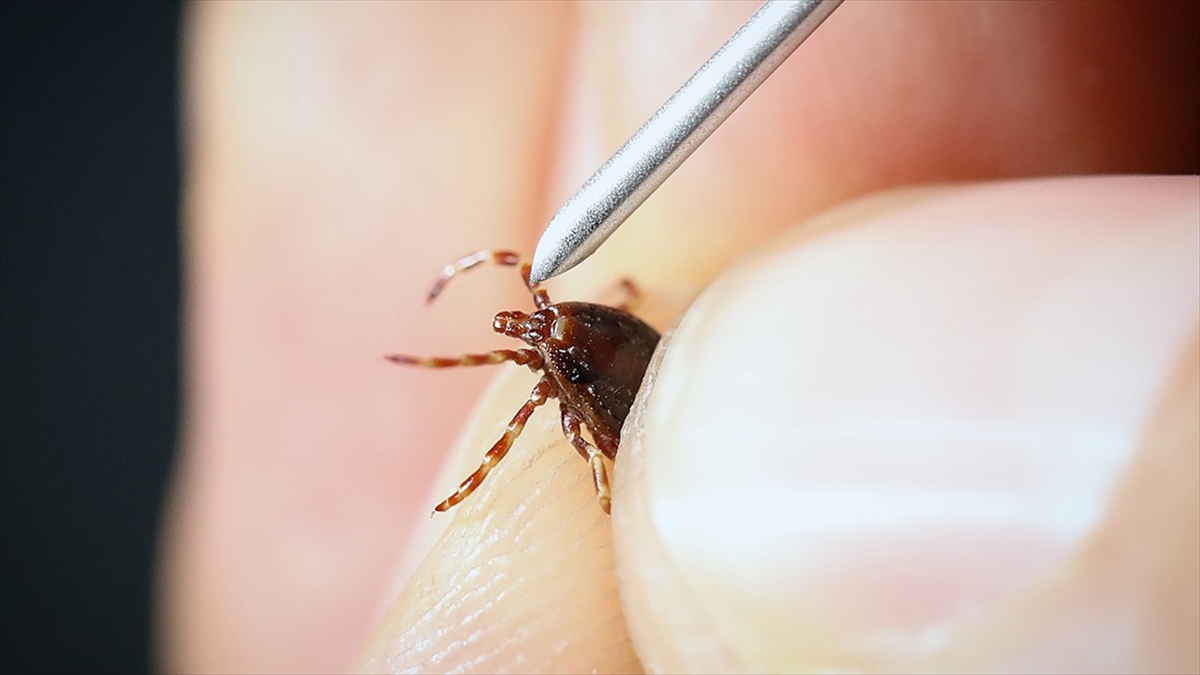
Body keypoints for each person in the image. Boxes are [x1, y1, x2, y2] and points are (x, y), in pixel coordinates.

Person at [158, 2, 1199, 672]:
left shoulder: (557, 359)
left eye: (521, 319)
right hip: (633, 368)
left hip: (637, 389)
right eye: (520, 324)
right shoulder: (573, 335)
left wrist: (537, 457)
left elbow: (542, 397)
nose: (518, 327)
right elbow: (592, 341)